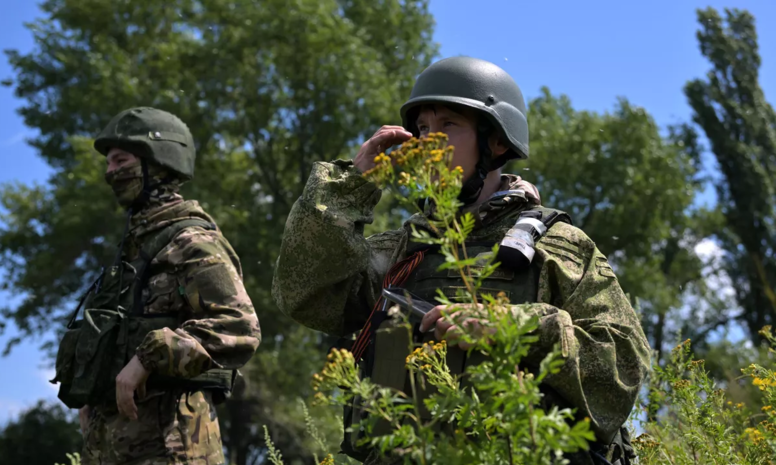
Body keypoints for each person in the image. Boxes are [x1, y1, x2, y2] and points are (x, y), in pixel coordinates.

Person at [272, 57, 651, 465]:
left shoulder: (557, 247)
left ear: (497, 142)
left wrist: (513, 327)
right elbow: (303, 292)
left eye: (448, 126)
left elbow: (623, 365)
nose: (428, 142)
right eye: (422, 129)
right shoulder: (402, 252)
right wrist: (350, 186)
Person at [51, 107, 261, 465]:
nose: (110, 173)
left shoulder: (192, 241)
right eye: (108, 164)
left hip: (172, 445)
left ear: (158, 161)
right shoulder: (133, 251)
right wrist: (92, 395)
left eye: (120, 161)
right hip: (114, 445)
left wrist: (147, 358)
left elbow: (238, 326)